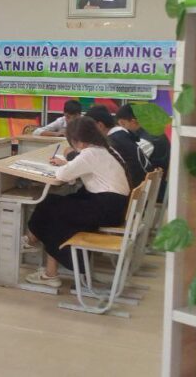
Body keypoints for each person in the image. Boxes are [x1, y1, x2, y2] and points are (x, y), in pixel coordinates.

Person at [24, 117, 132, 287]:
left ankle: (32, 241)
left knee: (50, 206)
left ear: (78, 141)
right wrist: (69, 163)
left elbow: (62, 175)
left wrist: (66, 165)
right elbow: (84, 169)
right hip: (114, 207)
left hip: (106, 208)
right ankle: (44, 261)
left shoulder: (89, 153)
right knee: (56, 207)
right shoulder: (104, 149)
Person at [85, 105, 150, 187]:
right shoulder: (122, 134)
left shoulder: (112, 141)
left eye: (89, 129)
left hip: (132, 187)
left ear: (100, 125)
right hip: (141, 184)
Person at [116, 104, 171, 174]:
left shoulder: (146, 140)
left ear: (133, 122)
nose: (122, 128)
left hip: (151, 179)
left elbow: (130, 162)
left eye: (123, 124)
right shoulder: (151, 131)